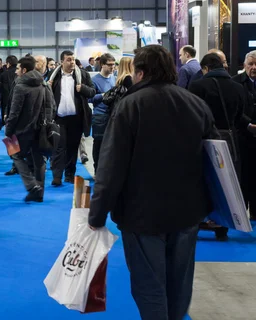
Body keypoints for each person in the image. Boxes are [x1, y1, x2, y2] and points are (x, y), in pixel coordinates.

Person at [89, 45, 218, 320]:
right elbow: (216, 159)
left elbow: (111, 166)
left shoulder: (129, 106)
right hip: (188, 212)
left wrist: (97, 214)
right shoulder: (196, 104)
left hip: (142, 214)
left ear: (140, 72)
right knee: (179, 284)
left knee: (150, 285)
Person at [189, 53, 248, 241]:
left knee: (202, 182)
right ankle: (223, 226)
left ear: (205, 68)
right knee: (226, 184)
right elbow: (241, 116)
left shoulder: (198, 86)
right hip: (230, 141)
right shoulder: (238, 88)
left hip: (204, 141)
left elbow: (192, 114)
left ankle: (199, 221)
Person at [6, 56, 54, 203]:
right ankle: (39, 192)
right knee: (39, 160)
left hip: (22, 130)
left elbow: (14, 112)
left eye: (18, 69)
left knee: (15, 155)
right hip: (40, 128)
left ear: (24, 70)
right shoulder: (43, 83)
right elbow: (50, 105)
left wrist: (8, 130)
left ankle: (33, 187)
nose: (15, 72)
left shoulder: (20, 86)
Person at [48, 51, 96, 186]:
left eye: (73, 59)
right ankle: (57, 176)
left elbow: (92, 92)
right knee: (58, 147)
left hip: (76, 119)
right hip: (58, 119)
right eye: (69, 60)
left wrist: (83, 89)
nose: (72, 62)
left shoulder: (83, 75)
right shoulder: (54, 76)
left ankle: (69, 175)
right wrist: (48, 87)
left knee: (72, 148)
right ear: (62, 62)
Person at [232, 51, 256, 220]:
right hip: (242, 137)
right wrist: (248, 125)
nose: (254, 68)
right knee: (242, 177)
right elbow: (234, 110)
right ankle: (241, 214)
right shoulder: (235, 83)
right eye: (250, 64)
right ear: (244, 66)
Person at [89, 53, 116, 172]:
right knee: (99, 144)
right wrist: (103, 95)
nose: (112, 67)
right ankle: (97, 169)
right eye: (109, 65)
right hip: (99, 116)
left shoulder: (114, 78)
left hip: (113, 116)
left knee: (111, 145)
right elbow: (90, 98)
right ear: (102, 65)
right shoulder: (94, 80)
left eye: (113, 65)